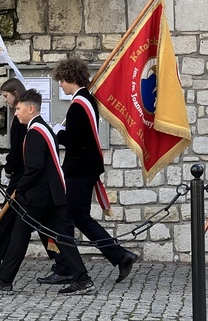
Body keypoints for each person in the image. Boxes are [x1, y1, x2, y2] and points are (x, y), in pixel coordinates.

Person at [0, 89, 96, 295]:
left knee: (19, 236)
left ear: (31, 108)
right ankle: (82, 279)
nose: (16, 113)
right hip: (52, 195)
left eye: (18, 109)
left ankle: (4, 281)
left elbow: (34, 168)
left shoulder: (35, 132)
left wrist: (19, 189)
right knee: (63, 238)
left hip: (39, 197)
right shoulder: (41, 128)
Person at [39, 57, 137, 285]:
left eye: (62, 81)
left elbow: (76, 141)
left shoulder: (78, 106)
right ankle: (119, 256)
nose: (60, 85)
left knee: (64, 218)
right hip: (85, 168)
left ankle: (67, 268)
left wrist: (57, 133)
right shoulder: (84, 101)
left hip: (79, 170)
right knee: (78, 217)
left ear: (71, 79)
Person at [0, 78, 28, 270]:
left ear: (16, 95)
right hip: (21, 175)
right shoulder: (18, 118)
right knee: (11, 218)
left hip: (21, 176)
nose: (5, 100)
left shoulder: (20, 121)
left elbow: (18, 151)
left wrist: (9, 169)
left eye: (6, 96)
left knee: (10, 216)